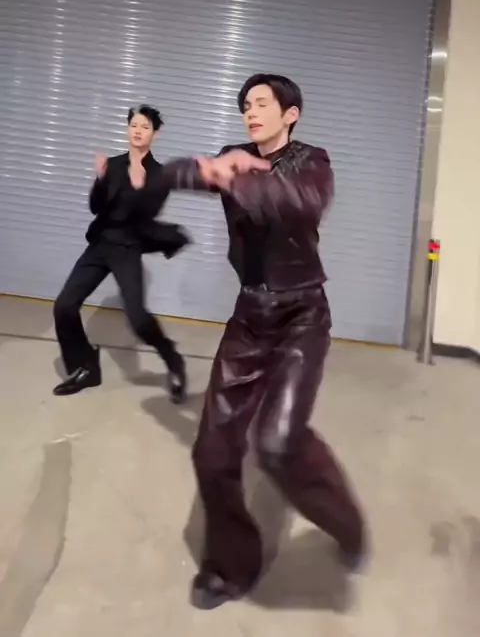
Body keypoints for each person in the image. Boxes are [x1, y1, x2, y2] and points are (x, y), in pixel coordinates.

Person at [138, 74, 366, 609]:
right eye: (245, 105)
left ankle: (347, 526)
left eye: (262, 103)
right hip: (249, 317)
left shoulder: (312, 161)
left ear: (291, 114)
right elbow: (171, 173)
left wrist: (237, 178)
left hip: (302, 316)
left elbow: (300, 203)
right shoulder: (233, 156)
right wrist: (201, 170)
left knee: (279, 443)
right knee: (212, 451)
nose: (251, 111)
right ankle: (230, 567)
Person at [52, 104, 190, 403]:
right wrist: (100, 179)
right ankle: (86, 367)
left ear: (155, 134)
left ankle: (173, 359)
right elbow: (96, 207)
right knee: (63, 306)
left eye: (145, 127)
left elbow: (148, 216)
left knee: (138, 320)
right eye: (134, 125)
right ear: (128, 129)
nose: (138, 131)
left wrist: (140, 186)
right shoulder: (114, 165)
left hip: (128, 247)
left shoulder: (160, 174)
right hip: (101, 244)